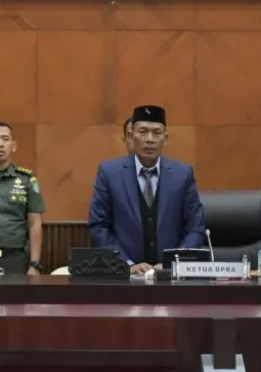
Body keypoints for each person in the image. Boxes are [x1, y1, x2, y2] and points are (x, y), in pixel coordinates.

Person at [87, 105, 205, 275]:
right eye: (143, 131)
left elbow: (195, 228)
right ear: (130, 135)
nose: (150, 139)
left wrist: (172, 264)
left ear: (165, 139)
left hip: (171, 278)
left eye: (156, 133)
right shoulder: (109, 173)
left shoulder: (183, 174)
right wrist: (126, 264)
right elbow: (99, 226)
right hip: (124, 277)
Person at [0, 122, 46, 275]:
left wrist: (35, 265)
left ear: (14, 145)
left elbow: (35, 223)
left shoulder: (26, 179)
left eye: (5, 139)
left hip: (15, 259)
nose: (0, 144)